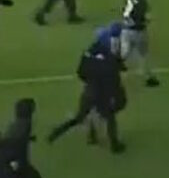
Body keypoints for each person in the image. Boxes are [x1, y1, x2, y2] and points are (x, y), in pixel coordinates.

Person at [46, 26, 126, 154]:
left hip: (89, 91)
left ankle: (58, 132)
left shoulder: (88, 53)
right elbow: (114, 81)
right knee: (109, 118)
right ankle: (114, 145)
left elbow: (81, 72)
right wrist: (116, 95)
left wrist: (90, 81)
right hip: (103, 93)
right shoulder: (110, 59)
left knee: (80, 117)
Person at [0, 97, 42, 178]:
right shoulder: (24, 125)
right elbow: (6, 142)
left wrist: (29, 138)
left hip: (16, 162)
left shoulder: (19, 124)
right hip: (15, 163)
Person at [120, 0, 159, 87]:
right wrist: (145, 21)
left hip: (126, 31)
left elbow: (125, 14)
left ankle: (111, 74)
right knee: (143, 55)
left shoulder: (129, 0)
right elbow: (146, 17)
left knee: (123, 55)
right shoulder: (143, 3)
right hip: (139, 32)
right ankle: (148, 78)